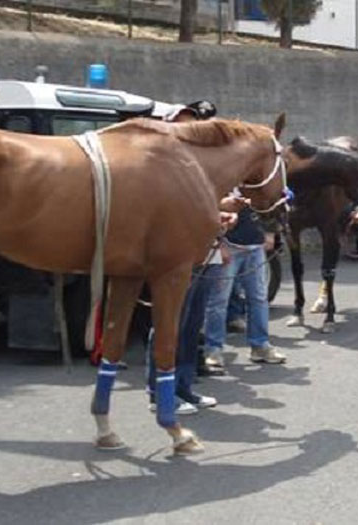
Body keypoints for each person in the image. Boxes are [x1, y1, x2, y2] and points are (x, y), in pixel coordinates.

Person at [146, 101, 230, 415]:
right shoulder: (158, 166)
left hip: (203, 254)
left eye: (191, 124)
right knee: (169, 323)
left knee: (192, 325)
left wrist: (220, 219)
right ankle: (158, 391)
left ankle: (183, 387)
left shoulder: (195, 167)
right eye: (180, 123)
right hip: (175, 256)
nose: (187, 130)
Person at [204, 194, 287, 368]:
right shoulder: (224, 178)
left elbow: (274, 201)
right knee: (218, 301)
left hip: (255, 246)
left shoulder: (256, 182)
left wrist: (270, 232)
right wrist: (217, 243)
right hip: (229, 244)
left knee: (258, 298)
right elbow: (207, 206)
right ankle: (213, 348)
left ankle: (260, 345)